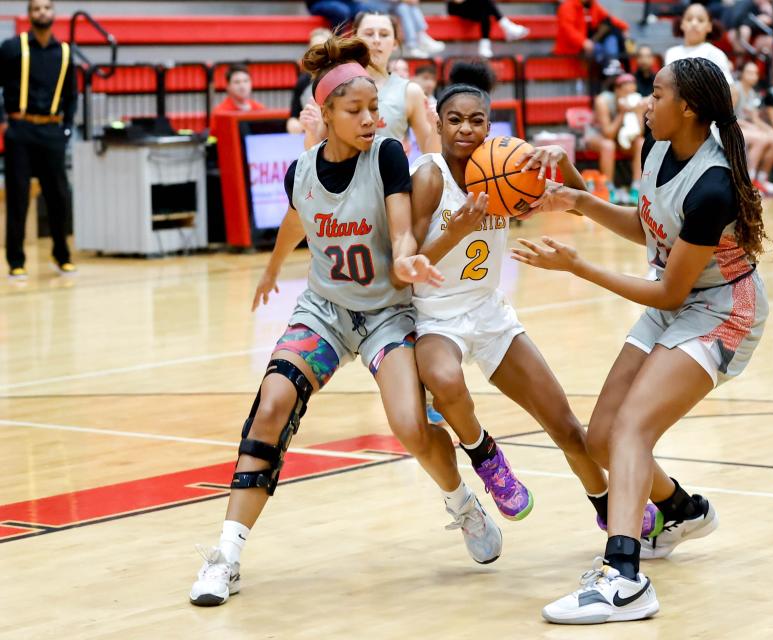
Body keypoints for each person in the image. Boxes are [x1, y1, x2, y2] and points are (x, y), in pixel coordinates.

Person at [188, 34, 502, 608]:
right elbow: (296, 218)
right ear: (325, 114)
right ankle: (225, 556)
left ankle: (461, 502)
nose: (370, 119)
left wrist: (407, 253)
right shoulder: (300, 170)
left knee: (409, 425)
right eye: (355, 111)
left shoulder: (384, 155)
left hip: (385, 313)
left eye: (373, 109)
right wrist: (272, 268)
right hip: (326, 311)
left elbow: (401, 221)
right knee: (271, 404)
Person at [514, 56, 768, 625]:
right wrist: (577, 199)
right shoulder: (656, 150)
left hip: (722, 308)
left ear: (689, 109)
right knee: (602, 438)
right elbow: (647, 226)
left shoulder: (713, 187)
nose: (644, 105)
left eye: (655, 95)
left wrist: (578, 267)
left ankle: (624, 578)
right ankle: (680, 510)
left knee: (632, 429)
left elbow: (672, 294)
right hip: (677, 293)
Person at [409, 60, 610, 530]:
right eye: (455, 119)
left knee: (565, 425)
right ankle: (484, 454)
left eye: (476, 120)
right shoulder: (429, 177)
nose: (465, 128)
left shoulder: (507, 166)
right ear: (437, 124)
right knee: (444, 377)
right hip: (436, 316)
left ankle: (607, 506)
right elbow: (409, 263)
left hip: (490, 311)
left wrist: (560, 159)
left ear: (489, 125)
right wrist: (456, 231)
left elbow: (580, 207)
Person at [0, 0, 76, 279]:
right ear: (29, 15)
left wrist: (66, 129)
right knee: (18, 197)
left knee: (58, 195)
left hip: (52, 132)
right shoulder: (11, 48)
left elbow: (71, 96)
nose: (42, 12)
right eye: (36, 8)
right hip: (20, 130)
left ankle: (62, 254)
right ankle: (16, 261)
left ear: (54, 13)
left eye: (47, 7)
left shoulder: (65, 52)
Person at [301, 12, 439, 154]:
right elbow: (314, 152)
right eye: (369, 33)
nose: (376, 40)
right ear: (355, 38)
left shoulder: (411, 91)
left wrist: (435, 128)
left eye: (384, 34)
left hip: (390, 175)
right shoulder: (335, 82)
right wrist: (311, 131)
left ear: (395, 43)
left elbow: (430, 154)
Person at [584, 74, 648, 204]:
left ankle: (636, 187)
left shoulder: (635, 103)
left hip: (618, 138)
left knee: (641, 142)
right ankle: (609, 188)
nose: (629, 96)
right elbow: (608, 134)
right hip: (598, 136)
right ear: (617, 90)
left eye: (632, 92)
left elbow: (639, 133)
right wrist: (622, 113)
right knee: (608, 145)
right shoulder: (602, 101)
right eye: (626, 93)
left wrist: (638, 113)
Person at [733, 60, 773, 194]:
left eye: (755, 73)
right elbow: (728, 116)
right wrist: (751, 126)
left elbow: (755, 118)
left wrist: (770, 129)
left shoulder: (753, 93)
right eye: (749, 72)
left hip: (746, 127)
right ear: (741, 74)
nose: (753, 75)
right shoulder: (735, 89)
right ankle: (748, 180)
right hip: (732, 127)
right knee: (761, 139)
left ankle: (762, 178)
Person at [555, 0, 631, 76]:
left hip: (590, 44)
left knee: (613, 33)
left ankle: (612, 64)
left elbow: (608, 18)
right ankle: (612, 65)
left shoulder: (593, 4)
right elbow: (567, 29)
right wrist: (583, 42)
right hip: (573, 48)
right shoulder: (568, 6)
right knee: (601, 49)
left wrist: (624, 27)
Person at [665, 3, 734, 85]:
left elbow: (729, 89)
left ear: (709, 26)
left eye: (700, 20)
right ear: (682, 24)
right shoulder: (671, 53)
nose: (694, 24)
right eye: (689, 19)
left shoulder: (716, 53)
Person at [287, 28, 333, 136]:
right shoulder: (303, 81)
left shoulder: (343, 78)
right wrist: (297, 125)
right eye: (314, 48)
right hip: (312, 141)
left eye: (323, 48)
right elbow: (292, 119)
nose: (318, 52)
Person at [446, 0, 529, 58]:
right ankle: (507, 27)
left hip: (474, 7)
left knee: (485, 11)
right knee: (486, 5)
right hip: (456, 7)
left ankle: (485, 45)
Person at [304, 0, 390, 31]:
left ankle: (366, 41)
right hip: (320, 2)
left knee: (369, 10)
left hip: (347, 3)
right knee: (341, 10)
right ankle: (337, 44)